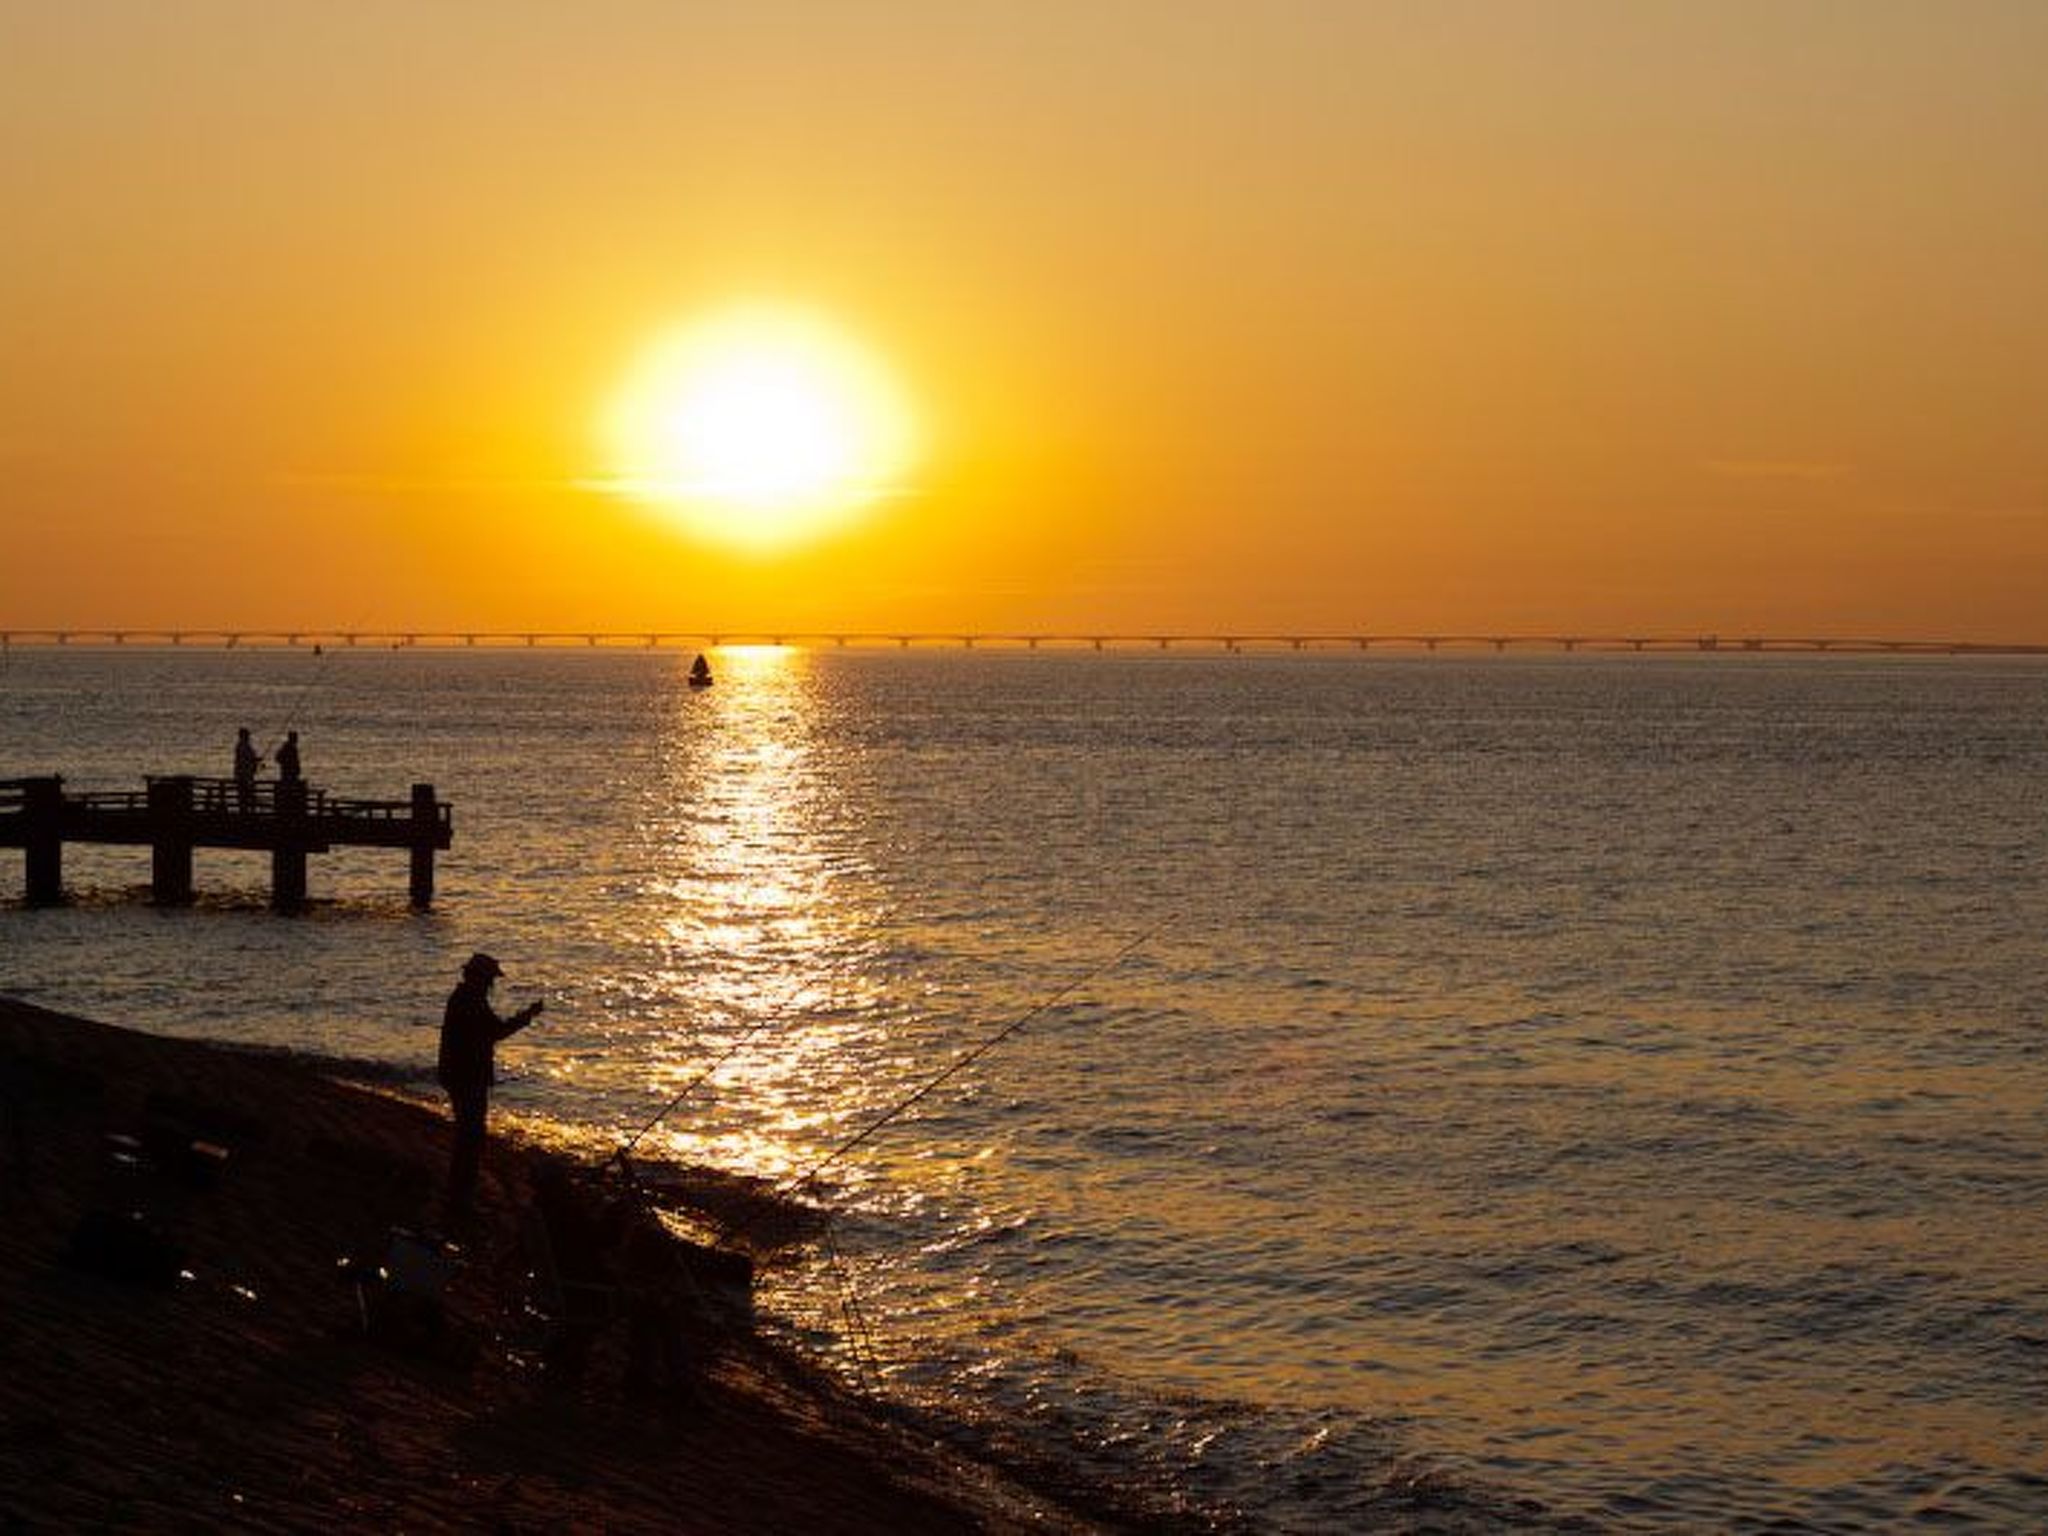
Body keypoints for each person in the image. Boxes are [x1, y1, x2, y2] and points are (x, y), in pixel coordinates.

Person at [436, 953, 543, 1224]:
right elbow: (496, 1032)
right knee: (470, 1138)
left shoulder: (465, 998)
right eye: (489, 979)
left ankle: (459, 1197)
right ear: (480, 978)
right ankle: (460, 1200)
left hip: (460, 1076)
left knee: (468, 1137)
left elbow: (491, 1032)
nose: (491, 985)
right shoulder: (470, 1001)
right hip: (466, 1077)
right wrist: (527, 1016)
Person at [233, 728, 262, 810]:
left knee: (243, 796)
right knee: (247, 795)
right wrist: (256, 760)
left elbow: (247, 759)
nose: (249, 737)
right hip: (245, 776)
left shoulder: (241, 746)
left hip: (242, 774)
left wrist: (256, 760)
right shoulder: (244, 746)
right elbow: (247, 759)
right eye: (247, 735)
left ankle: (245, 812)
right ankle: (248, 814)